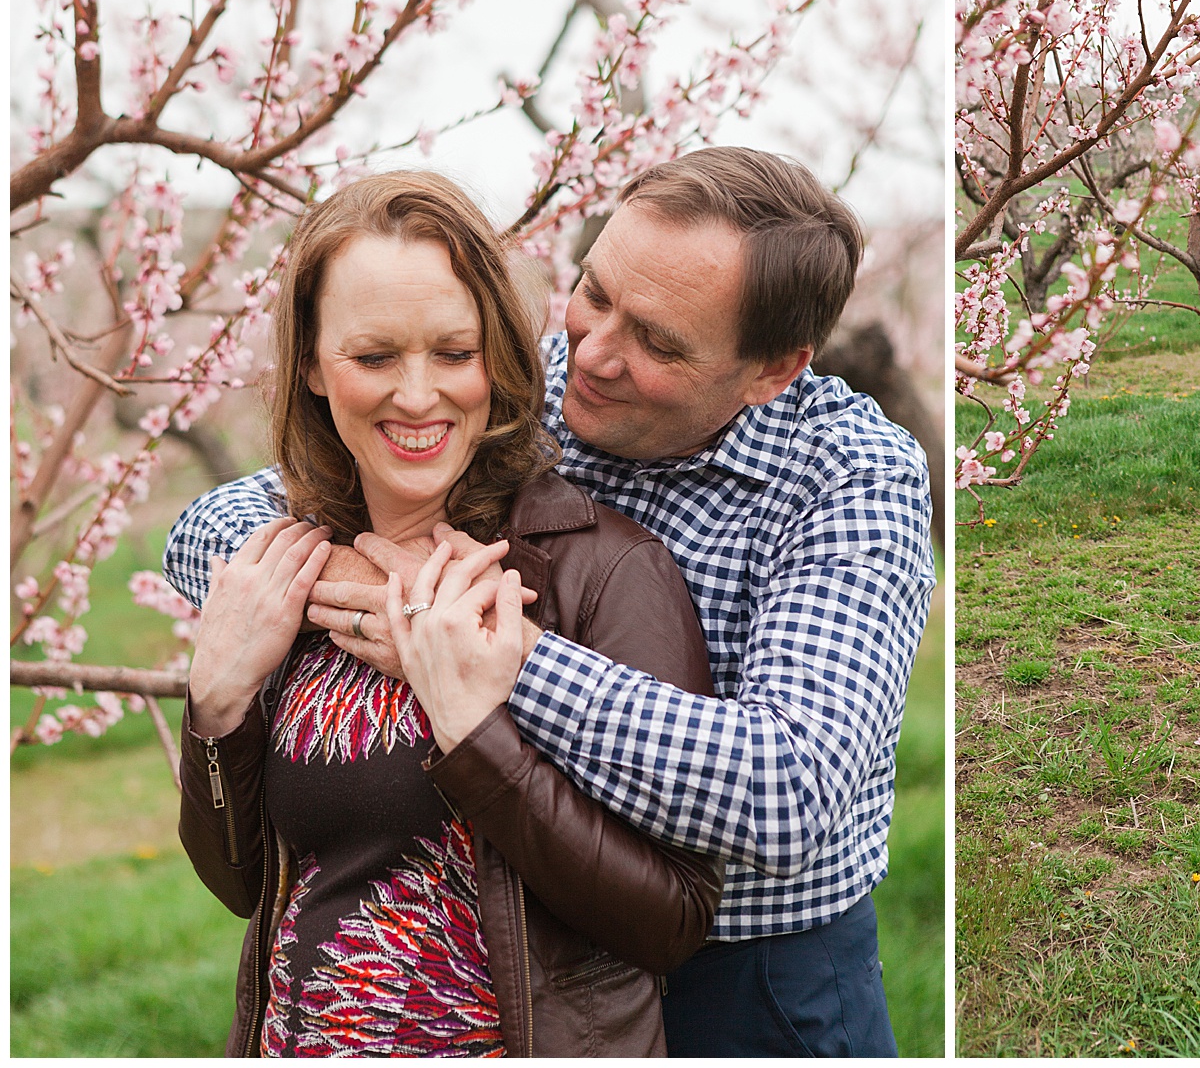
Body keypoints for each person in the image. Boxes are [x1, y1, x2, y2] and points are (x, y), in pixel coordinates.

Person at [167, 147, 935, 1056]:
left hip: (754, 971)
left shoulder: (851, 477)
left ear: (770, 370)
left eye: (657, 340)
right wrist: (384, 590)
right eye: (595, 291)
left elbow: (789, 790)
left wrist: (500, 655)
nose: (595, 350)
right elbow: (217, 526)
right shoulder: (541, 377)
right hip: (540, 941)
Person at [174, 171, 721, 1055]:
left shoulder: (600, 570)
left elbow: (673, 921)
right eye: (375, 356)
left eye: (454, 353)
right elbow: (244, 881)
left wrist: (475, 731)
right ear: (313, 364)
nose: (419, 395)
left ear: (497, 357)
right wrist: (217, 701)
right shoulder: (296, 570)